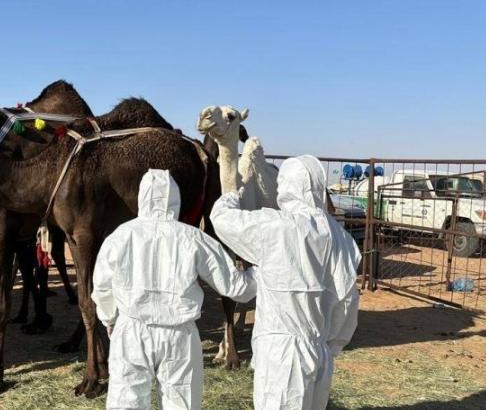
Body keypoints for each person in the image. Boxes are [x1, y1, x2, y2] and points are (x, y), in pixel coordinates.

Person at [92, 169, 257, 410]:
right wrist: (264, 272)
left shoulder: (120, 236)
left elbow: (102, 287)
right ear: (176, 199)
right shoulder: (193, 239)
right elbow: (235, 286)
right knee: (182, 403)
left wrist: (109, 319)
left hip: (131, 330)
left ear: (142, 197)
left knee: (125, 402)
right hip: (179, 335)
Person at [209, 155, 361, 410]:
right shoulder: (341, 238)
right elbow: (347, 301)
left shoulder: (274, 226)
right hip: (320, 353)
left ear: (286, 185)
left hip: (281, 355)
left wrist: (232, 194)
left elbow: (222, 220)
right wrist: (331, 346)